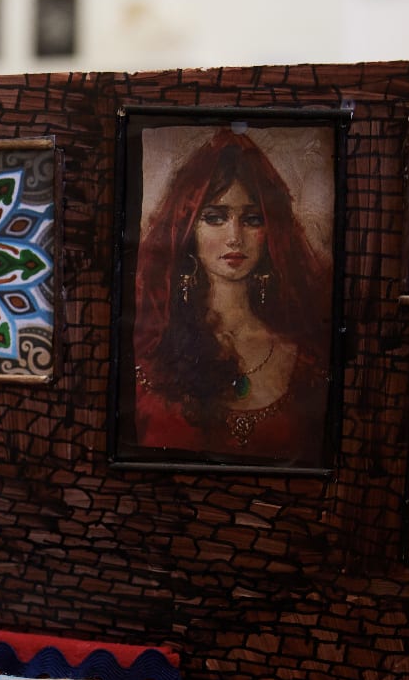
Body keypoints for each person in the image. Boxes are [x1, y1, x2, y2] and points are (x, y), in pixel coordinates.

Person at [129, 131, 331, 462]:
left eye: (252, 219)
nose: (234, 237)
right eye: (215, 218)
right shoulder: (152, 348)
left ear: (270, 233)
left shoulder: (305, 357)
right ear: (189, 228)